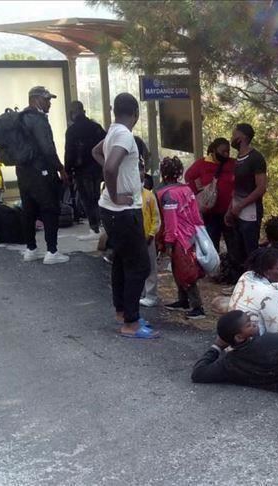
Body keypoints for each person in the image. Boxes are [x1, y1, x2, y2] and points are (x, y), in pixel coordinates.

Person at [91, 92, 156, 339]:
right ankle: (131, 323)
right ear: (136, 114)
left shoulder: (112, 131)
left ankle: (123, 312)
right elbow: (109, 167)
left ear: (114, 111)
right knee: (139, 265)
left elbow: (96, 153)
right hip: (123, 211)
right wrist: (116, 194)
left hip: (111, 211)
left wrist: (116, 178)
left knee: (121, 260)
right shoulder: (125, 135)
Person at [191, 310, 278, 394]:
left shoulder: (229, 363)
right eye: (249, 325)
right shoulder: (267, 341)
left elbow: (198, 373)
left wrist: (216, 346)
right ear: (239, 337)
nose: (254, 324)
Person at [18, 86, 69, 264]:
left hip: (23, 172)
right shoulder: (39, 120)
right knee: (49, 209)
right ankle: (52, 252)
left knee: (29, 210)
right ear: (35, 100)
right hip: (41, 172)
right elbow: (47, 148)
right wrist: (60, 168)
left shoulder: (20, 118)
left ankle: (31, 249)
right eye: (46, 99)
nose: (49, 103)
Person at [156, 156, 207, 320]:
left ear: (163, 173)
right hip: (190, 234)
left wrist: (168, 242)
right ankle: (183, 300)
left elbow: (170, 221)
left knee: (186, 272)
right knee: (181, 269)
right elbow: (196, 214)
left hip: (179, 238)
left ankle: (197, 307)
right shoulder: (187, 190)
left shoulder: (167, 194)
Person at [225, 123, 267, 269]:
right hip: (237, 213)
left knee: (251, 252)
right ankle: (239, 279)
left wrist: (241, 205)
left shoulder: (256, 158)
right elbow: (236, 188)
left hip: (251, 214)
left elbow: (261, 188)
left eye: (234, 134)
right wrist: (230, 209)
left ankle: (254, 278)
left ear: (242, 137)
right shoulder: (238, 159)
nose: (232, 138)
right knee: (238, 252)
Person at [64, 100, 107, 238]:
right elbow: (107, 143)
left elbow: (69, 152)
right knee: (97, 196)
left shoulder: (72, 131)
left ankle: (94, 227)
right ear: (83, 111)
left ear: (72, 113)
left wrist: (67, 170)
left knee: (87, 199)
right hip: (98, 167)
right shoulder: (96, 127)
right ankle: (101, 225)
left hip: (81, 169)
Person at [184, 137, 236, 251]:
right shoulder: (202, 163)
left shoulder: (233, 163)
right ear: (214, 150)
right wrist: (197, 191)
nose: (226, 154)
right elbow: (188, 176)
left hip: (229, 212)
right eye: (223, 151)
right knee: (212, 245)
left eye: (228, 151)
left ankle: (232, 262)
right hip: (211, 213)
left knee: (233, 246)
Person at [137, 145, 161, 308]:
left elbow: (156, 217)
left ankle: (151, 294)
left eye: (140, 170)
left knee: (151, 267)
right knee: (136, 266)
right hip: (133, 238)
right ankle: (139, 292)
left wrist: (152, 234)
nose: (137, 173)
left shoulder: (149, 195)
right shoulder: (127, 194)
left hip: (148, 238)